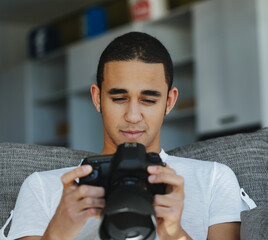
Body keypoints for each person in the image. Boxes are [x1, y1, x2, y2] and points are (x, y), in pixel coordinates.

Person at [4, 32, 252, 240]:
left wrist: (174, 233)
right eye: (119, 98)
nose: (133, 116)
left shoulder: (213, 180)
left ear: (170, 101)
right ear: (96, 97)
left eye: (148, 99)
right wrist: (58, 231)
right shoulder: (42, 187)